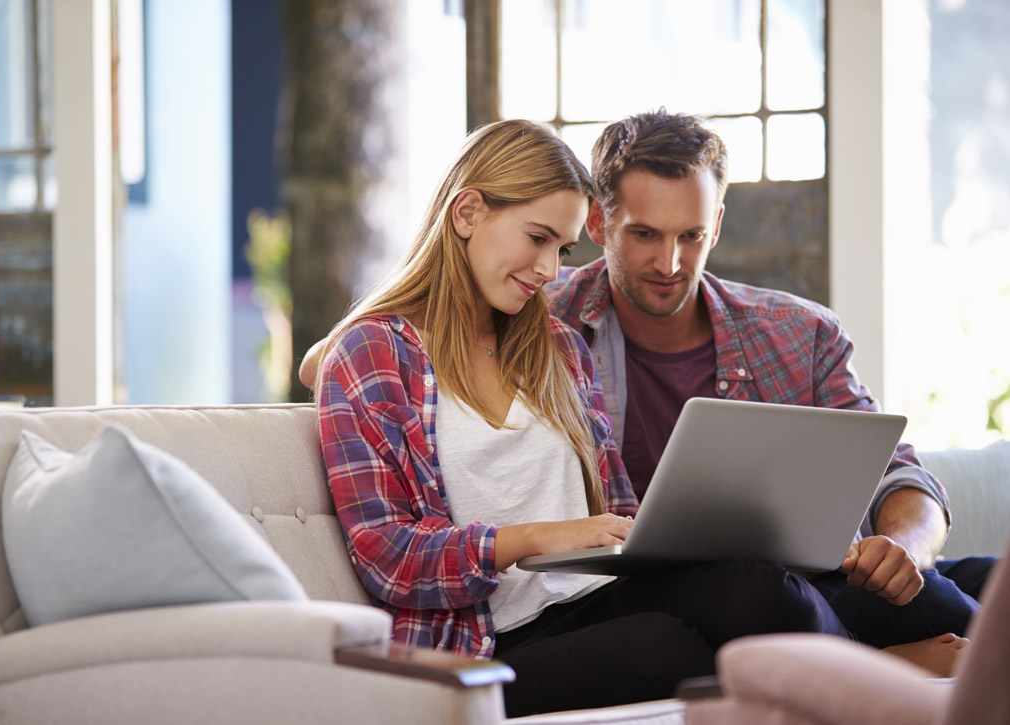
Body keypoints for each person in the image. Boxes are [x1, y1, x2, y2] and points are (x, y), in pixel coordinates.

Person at [315, 119, 851, 717]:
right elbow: (388, 557)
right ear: (466, 213)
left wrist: (667, 531)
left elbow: (614, 509)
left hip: (597, 595)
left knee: (765, 592)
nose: (550, 270)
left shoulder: (558, 346)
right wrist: (537, 538)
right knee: (670, 651)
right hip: (489, 641)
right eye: (538, 238)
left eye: (564, 249)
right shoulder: (374, 353)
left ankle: (883, 688)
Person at [544, 109, 995, 674]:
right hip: (690, 598)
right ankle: (883, 667)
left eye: (692, 235)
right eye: (644, 234)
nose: (670, 262)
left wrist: (904, 549)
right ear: (596, 222)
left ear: (719, 221)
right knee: (759, 589)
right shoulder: (542, 326)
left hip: (823, 580)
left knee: (960, 588)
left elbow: (899, 475)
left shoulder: (799, 333)